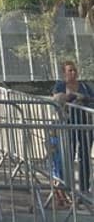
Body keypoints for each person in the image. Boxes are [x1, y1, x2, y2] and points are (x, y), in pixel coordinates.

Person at [52, 60, 94, 195]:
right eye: (70, 70)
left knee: (85, 156)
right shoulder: (60, 85)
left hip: (84, 124)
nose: (73, 73)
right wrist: (70, 97)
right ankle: (65, 187)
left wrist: (85, 98)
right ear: (64, 73)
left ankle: (84, 189)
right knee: (66, 154)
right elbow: (57, 99)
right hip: (67, 124)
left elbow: (92, 99)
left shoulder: (85, 86)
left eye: (74, 70)